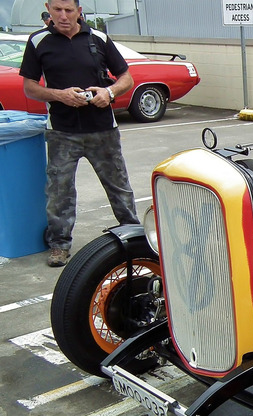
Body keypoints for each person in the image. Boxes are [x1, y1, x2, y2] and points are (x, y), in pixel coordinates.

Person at [19, 0, 138, 267]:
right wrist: (58, 95)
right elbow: (29, 87)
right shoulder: (38, 41)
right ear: (48, 9)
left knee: (119, 186)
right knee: (59, 191)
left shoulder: (98, 38)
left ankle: (133, 235)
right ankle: (59, 245)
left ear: (79, 12)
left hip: (103, 130)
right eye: (57, 10)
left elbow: (126, 78)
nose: (63, 16)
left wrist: (108, 93)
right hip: (62, 131)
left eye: (69, 10)